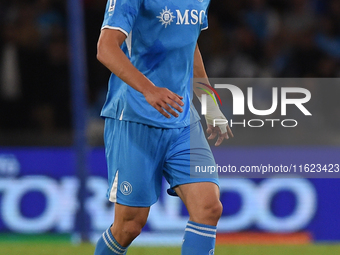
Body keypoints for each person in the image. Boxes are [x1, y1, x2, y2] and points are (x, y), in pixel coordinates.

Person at [94, 0, 233, 254]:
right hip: (135, 118)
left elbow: (189, 46)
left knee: (209, 208)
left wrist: (209, 103)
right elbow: (105, 48)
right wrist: (149, 89)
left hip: (182, 120)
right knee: (129, 226)